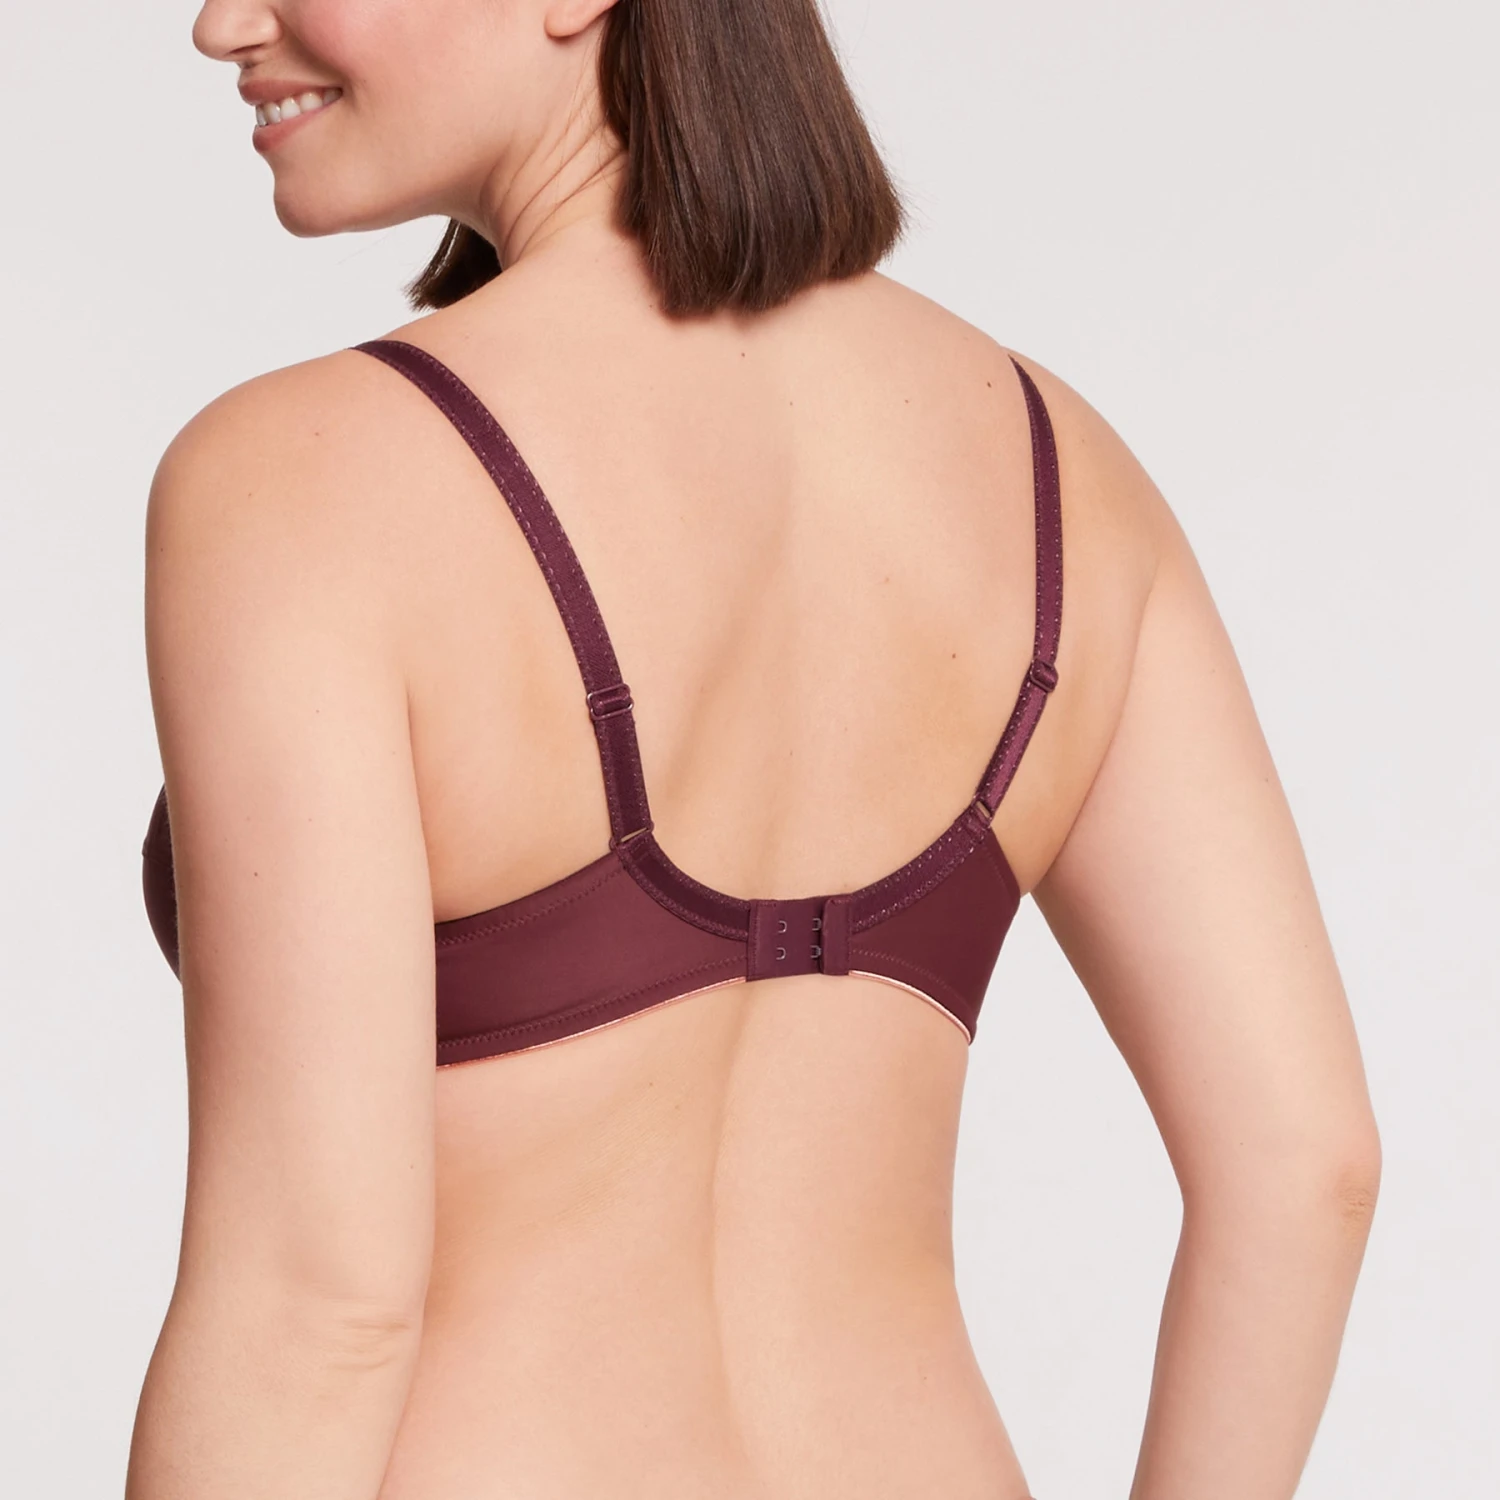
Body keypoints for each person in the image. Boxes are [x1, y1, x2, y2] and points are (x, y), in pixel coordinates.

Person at [125, 2, 1381, 1497]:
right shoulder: (1064, 473)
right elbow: (1305, 1167)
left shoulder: (304, 477)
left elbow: (314, 1310)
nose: (222, 23)